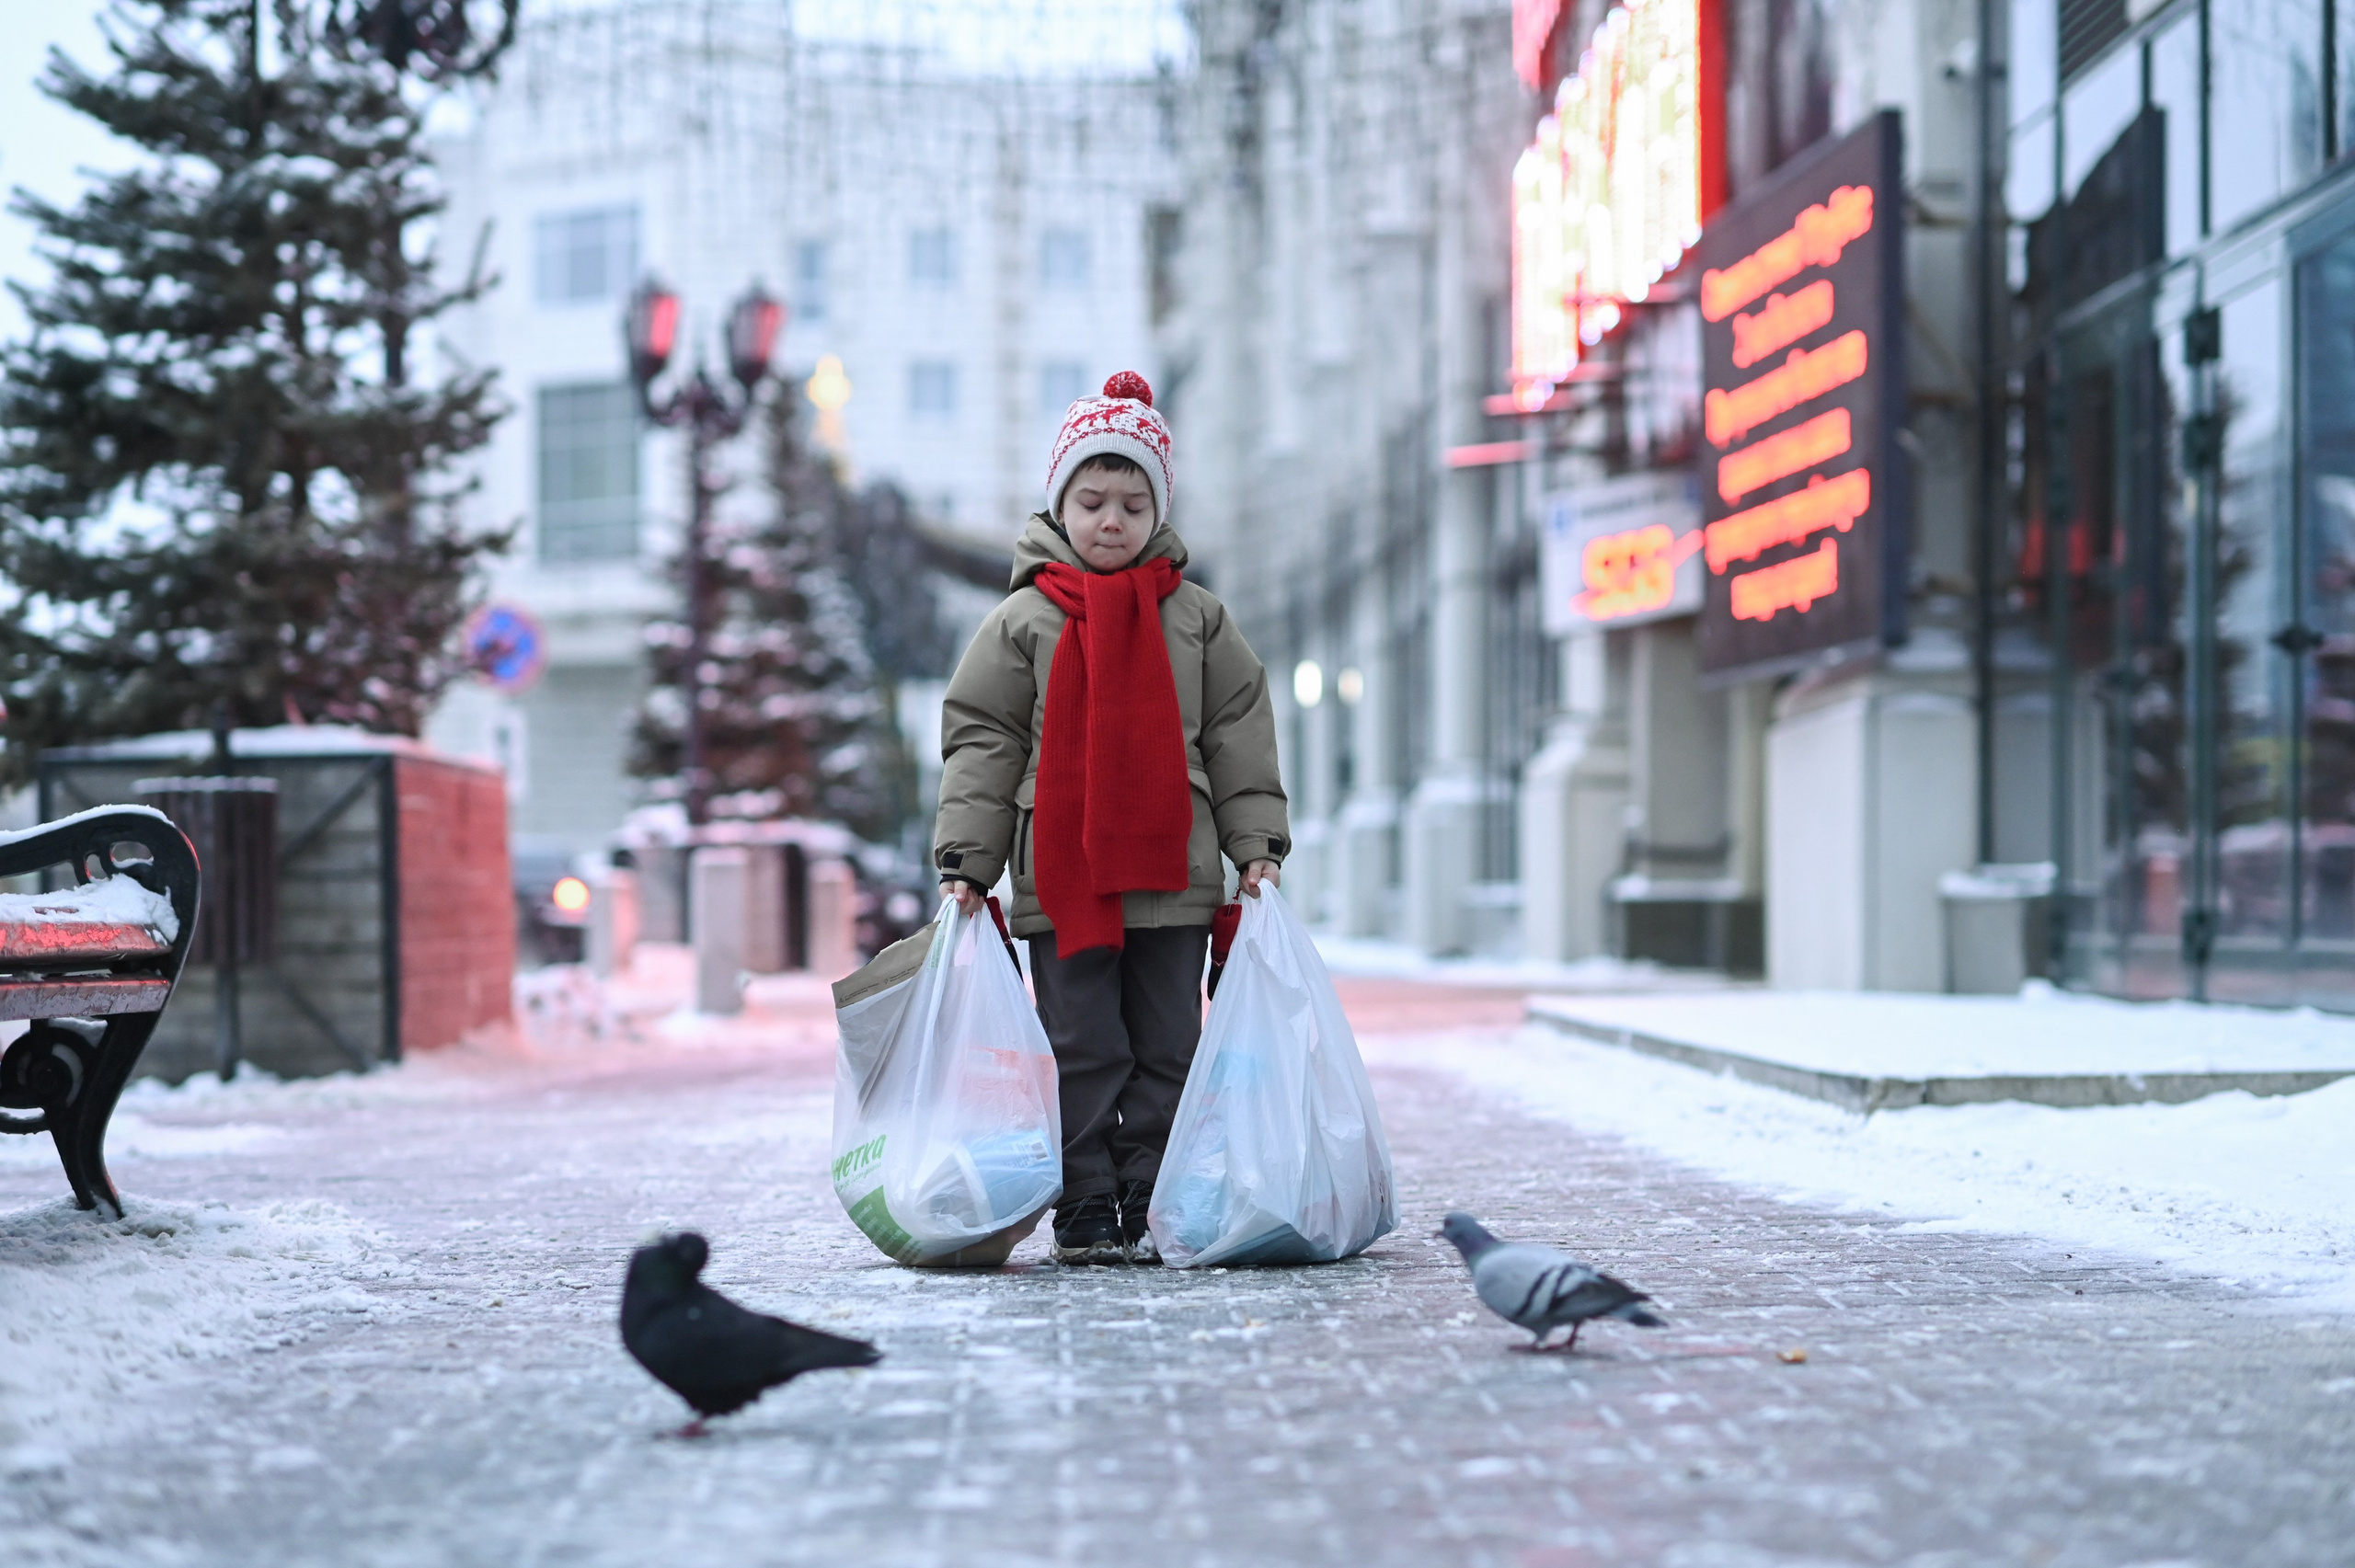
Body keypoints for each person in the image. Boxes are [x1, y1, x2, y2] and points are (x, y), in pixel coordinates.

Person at [933, 371, 1288, 1265]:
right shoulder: (1022, 622)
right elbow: (985, 741)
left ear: (1157, 510)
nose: (1111, 521)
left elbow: (1239, 735)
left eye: (1133, 502)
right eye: (1091, 501)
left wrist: (1255, 848)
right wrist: (969, 861)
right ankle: (1087, 1194)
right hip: (1064, 871)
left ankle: (1153, 1183)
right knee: (1082, 1044)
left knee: (1169, 1040)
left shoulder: (1199, 621)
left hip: (1175, 867)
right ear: (1059, 503)